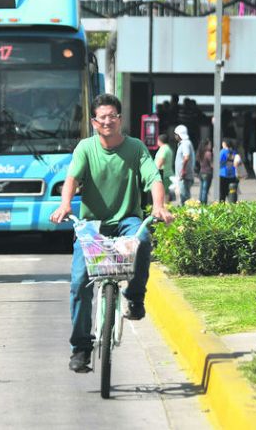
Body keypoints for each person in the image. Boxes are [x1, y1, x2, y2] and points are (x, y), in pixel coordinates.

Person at [49, 94, 173, 373]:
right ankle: (81, 348)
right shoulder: (85, 148)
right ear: (94, 122)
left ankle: (136, 297)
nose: (107, 121)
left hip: (128, 219)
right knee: (79, 282)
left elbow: (153, 178)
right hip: (92, 224)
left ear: (120, 118)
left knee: (142, 239)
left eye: (112, 116)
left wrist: (158, 207)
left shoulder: (136, 148)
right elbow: (72, 179)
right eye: (102, 117)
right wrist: (65, 204)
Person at [173, 125, 196, 205]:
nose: (175, 136)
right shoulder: (183, 143)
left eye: (176, 134)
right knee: (184, 196)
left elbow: (186, 157)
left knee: (184, 198)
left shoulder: (185, 143)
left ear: (179, 134)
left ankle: (186, 214)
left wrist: (183, 170)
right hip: (183, 176)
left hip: (184, 176)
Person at [218, 138, 241, 202]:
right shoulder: (234, 152)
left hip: (223, 174)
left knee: (222, 192)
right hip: (232, 175)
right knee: (231, 192)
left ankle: (222, 205)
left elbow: (218, 161)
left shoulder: (223, 152)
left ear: (225, 144)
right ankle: (231, 204)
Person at [154, 134, 174, 203]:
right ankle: (166, 206)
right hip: (167, 173)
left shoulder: (163, 149)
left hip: (163, 174)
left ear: (159, 141)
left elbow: (160, 162)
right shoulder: (168, 148)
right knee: (166, 192)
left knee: (163, 192)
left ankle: (164, 206)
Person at [196, 138, 214, 204]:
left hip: (201, 172)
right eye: (209, 144)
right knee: (205, 190)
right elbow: (212, 165)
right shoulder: (208, 153)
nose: (211, 146)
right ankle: (204, 203)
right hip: (208, 173)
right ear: (206, 145)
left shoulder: (200, 153)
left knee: (202, 189)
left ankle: (200, 202)